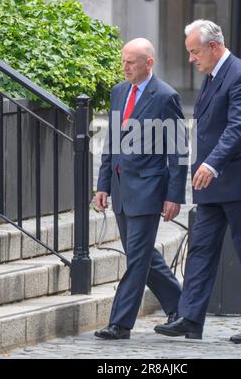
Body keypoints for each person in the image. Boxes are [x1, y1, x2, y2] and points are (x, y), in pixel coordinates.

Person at [154, 19, 241, 344]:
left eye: (195, 52)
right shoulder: (212, 76)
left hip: (239, 182)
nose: (191, 59)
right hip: (211, 186)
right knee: (200, 251)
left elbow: (237, 127)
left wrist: (211, 163)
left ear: (213, 46)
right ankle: (190, 319)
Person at [94, 37, 188, 340]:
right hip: (121, 189)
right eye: (123, 60)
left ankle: (120, 324)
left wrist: (174, 195)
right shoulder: (119, 92)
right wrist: (103, 184)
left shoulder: (166, 96)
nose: (124, 67)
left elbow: (178, 149)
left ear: (149, 63)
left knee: (137, 259)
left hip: (149, 190)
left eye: (130, 62)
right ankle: (181, 306)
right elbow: (112, 141)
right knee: (144, 255)